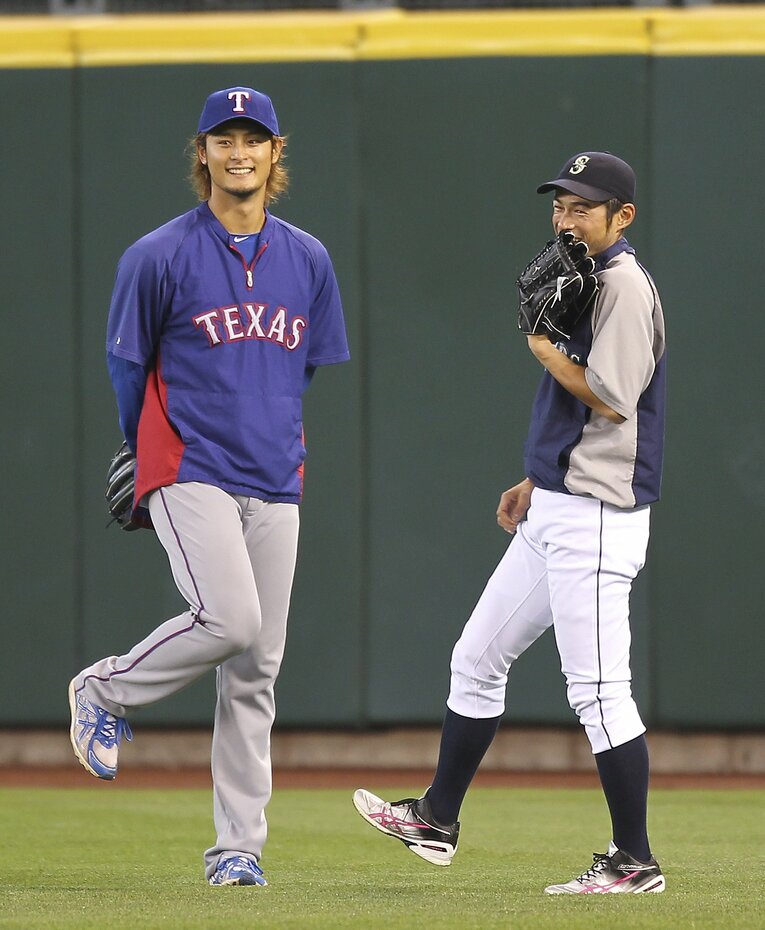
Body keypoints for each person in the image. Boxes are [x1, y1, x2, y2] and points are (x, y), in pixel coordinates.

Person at [353, 151, 667, 895]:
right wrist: (537, 476)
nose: (564, 218)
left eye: (581, 207)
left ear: (621, 217)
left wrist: (540, 346)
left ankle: (634, 861)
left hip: (596, 517)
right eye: (558, 204)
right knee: (475, 658)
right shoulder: (587, 276)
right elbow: (585, 410)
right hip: (560, 501)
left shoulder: (620, 285)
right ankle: (435, 818)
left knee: (597, 690)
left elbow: (612, 396)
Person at [69, 86, 350, 887]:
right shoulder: (156, 254)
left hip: (276, 475)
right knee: (228, 619)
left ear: (274, 153)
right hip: (189, 464)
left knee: (256, 665)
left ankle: (236, 849)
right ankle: (105, 688)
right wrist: (143, 448)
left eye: (252, 139)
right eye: (222, 138)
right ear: (201, 154)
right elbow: (126, 368)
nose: (238, 152)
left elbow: (297, 371)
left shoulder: (309, 259)